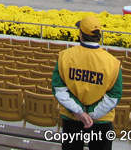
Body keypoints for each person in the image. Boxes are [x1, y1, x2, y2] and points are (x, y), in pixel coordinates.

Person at [52, 15, 122, 150]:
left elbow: (59, 90)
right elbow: (114, 96)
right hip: (101, 120)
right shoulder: (113, 63)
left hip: (72, 118)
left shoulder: (64, 57)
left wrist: (80, 113)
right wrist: (91, 114)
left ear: (80, 34)